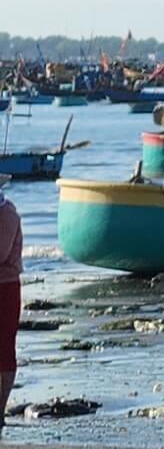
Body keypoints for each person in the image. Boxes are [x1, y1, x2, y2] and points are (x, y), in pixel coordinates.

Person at [0, 174, 19, 431]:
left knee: (4, 350)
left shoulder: (7, 214)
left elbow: (1, 253)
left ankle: (0, 410)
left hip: (4, 286)